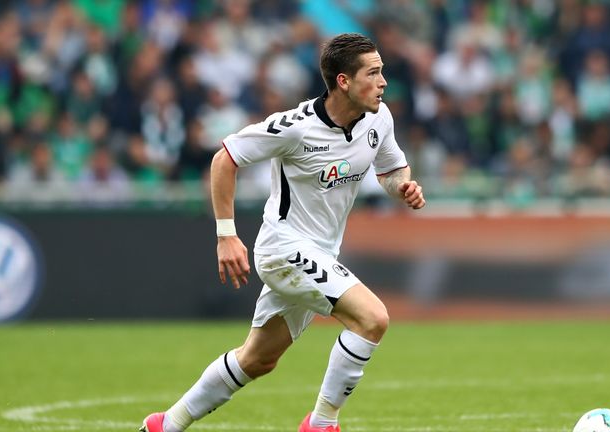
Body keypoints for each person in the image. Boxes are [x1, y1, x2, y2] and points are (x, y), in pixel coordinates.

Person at [140, 32, 426, 432]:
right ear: (343, 81)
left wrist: (403, 187)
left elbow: (391, 170)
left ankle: (165, 425)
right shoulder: (295, 127)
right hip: (285, 248)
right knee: (372, 319)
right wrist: (226, 235)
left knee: (257, 359)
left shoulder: (379, 118)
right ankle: (322, 424)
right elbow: (224, 160)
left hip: (322, 255)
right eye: (373, 73)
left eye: (383, 72)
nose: (383, 82)